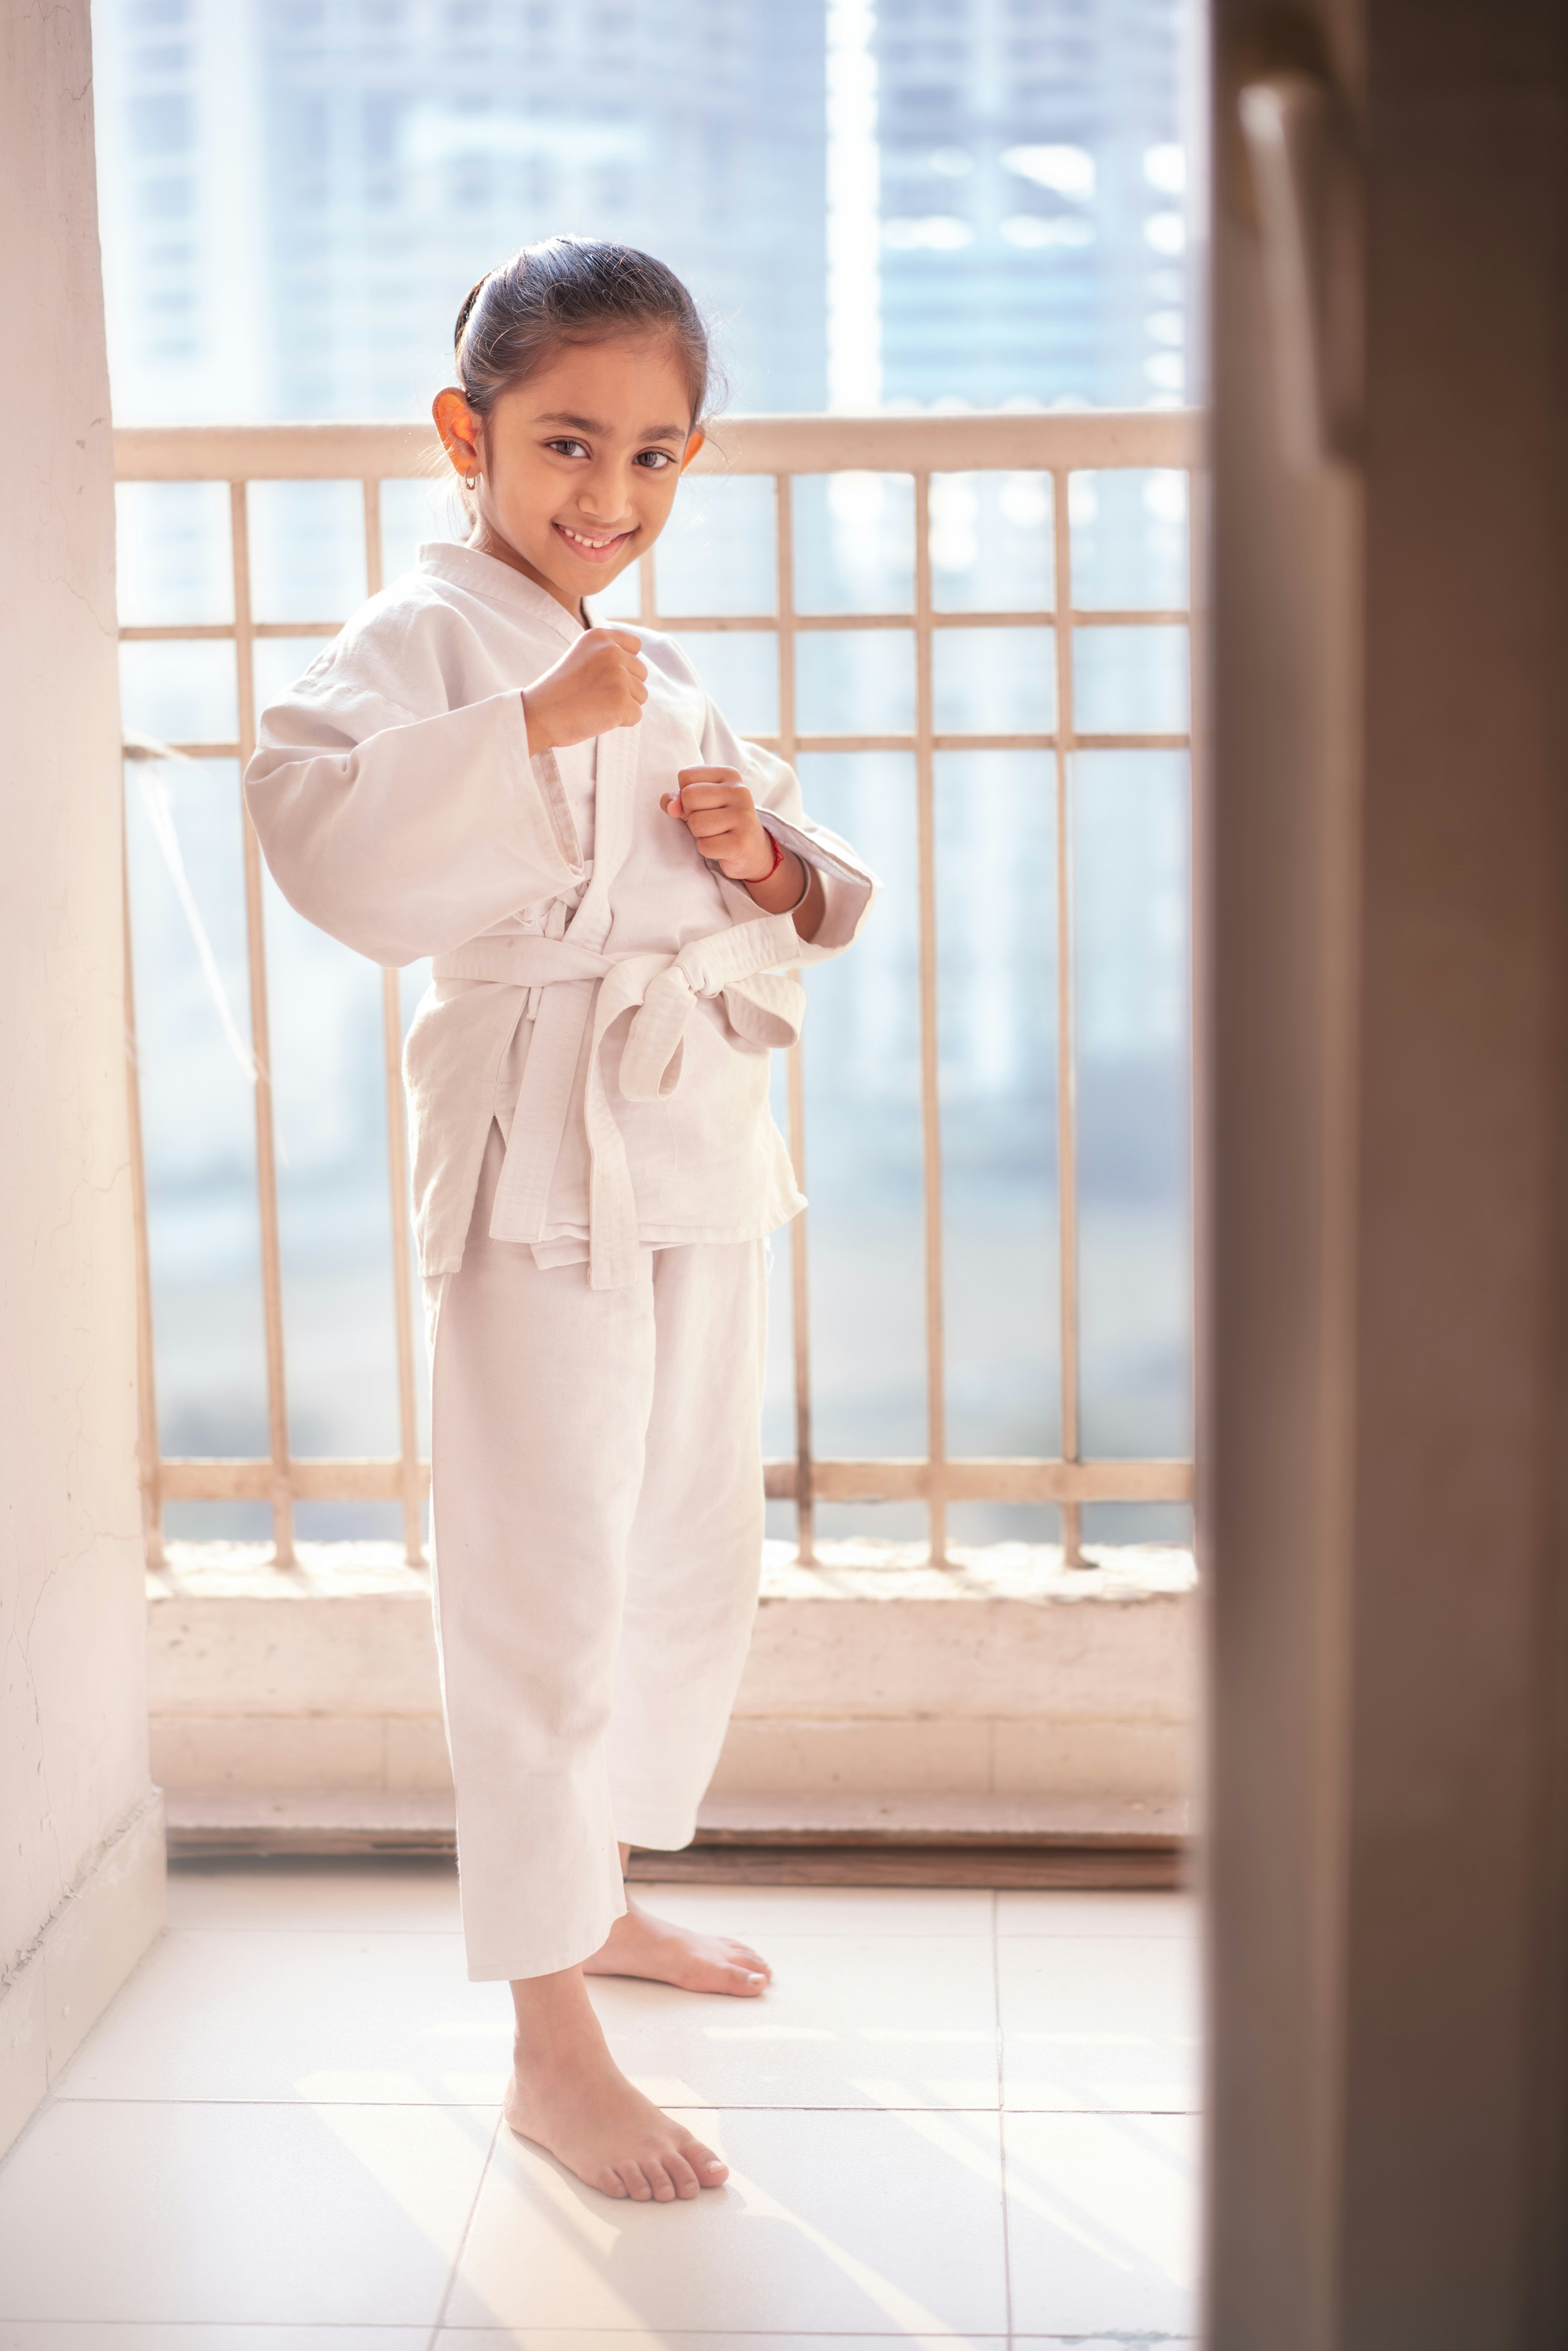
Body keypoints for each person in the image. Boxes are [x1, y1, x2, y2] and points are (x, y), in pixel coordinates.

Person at [243, 238, 877, 2205]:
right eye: (567, 444)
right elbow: (313, 826)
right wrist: (520, 730)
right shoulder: (422, 636)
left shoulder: (658, 668)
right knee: (536, 1575)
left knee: (676, 1541)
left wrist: (756, 855)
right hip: (538, 1153)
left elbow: (792, 883)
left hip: (688, 1141)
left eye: (652, 454)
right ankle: (543, 2040)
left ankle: (591, 1897)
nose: (608, 492)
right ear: (470, 433)